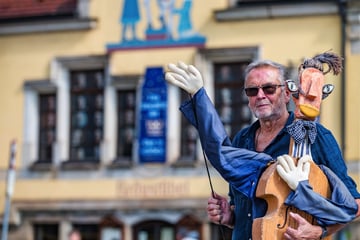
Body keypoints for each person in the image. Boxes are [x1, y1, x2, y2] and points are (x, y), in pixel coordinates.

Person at [165, 58, 360, 240]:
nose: (260, 96)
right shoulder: (242, 139)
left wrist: (318, 231)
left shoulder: (316, 135)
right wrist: (229, 216)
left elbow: (354, 205)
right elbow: (247, 211)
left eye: (269, 88)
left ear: (286, 94)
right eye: (252, 91)